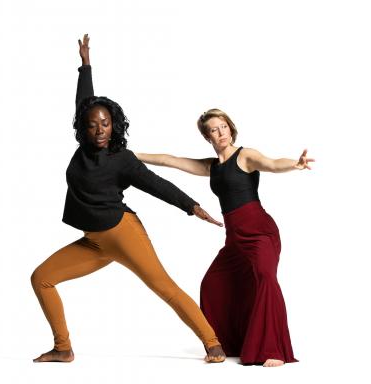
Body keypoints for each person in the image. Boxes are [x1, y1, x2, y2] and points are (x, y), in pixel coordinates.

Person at [30, 35, 226, 363]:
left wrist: (192, 207)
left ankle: (212, 343)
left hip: (123, 234)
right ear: (83, 127)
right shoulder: (83, 147)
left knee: (163, 286)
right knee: (42, 278)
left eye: (105, 123)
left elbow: (156, 184)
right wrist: (85, 64)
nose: (100, 129)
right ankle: (63, 348)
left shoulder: (123, 158)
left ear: (114, 123)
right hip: (93, 242)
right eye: (93, 125)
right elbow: (85, 100)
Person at [136, 109, 314, 366]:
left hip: (260, 232)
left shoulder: (245, 156)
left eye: (223, 127)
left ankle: (273, 349)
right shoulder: (211, 166)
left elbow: (273, 164)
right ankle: (231, 343)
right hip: (234, 240)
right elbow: (170, 160)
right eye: (213, 130)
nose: (220, 133)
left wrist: (294, 165)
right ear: (207, 136)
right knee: (213, 283)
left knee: (265, 278)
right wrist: (131, 155)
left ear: (230, 128)